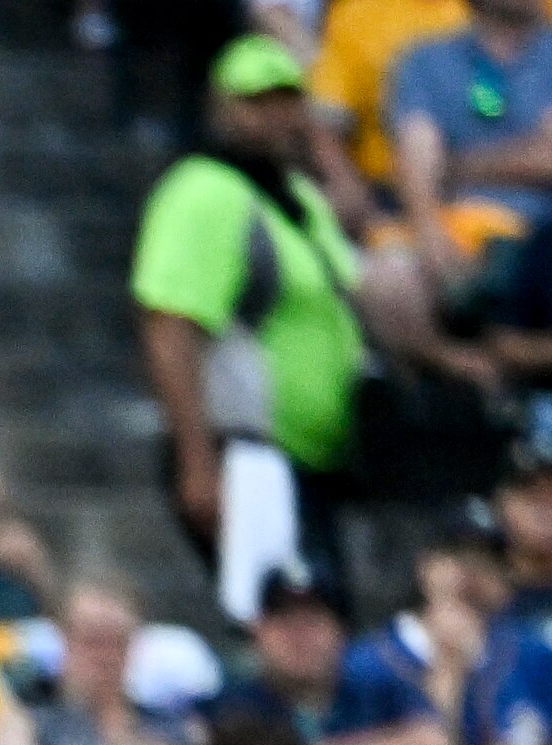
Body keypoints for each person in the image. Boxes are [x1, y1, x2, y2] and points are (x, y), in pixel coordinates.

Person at [135, 40, 365, 624]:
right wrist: (197, 461)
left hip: (310, 461)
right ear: (222, 109)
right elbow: (170, 323)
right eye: (257, 102)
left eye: (289, 101)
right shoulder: (203, 190)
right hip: (246, 456)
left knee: (321, 621)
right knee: (286, 625)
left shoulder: (301, 200)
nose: (276, 117)